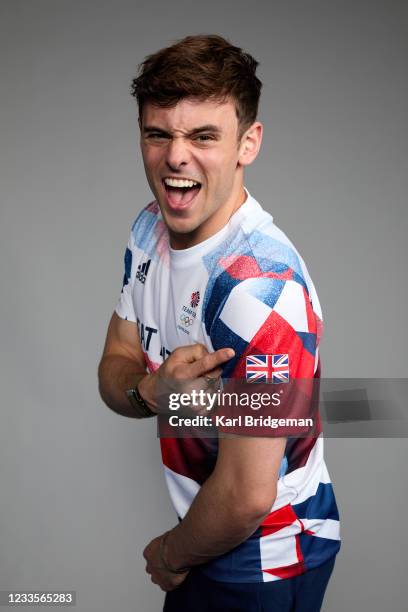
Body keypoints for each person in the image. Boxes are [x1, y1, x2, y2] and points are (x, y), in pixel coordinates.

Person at [98, 34, 340, 612]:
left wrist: (169, 555)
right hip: (212, 539)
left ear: (247, 143)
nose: (176, 157)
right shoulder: (149, 229)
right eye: (159, 134)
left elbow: (247, 494)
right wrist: (149, 391)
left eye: (204, 136)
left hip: (265, 557)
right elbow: (115, 363)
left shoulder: (260, 289)